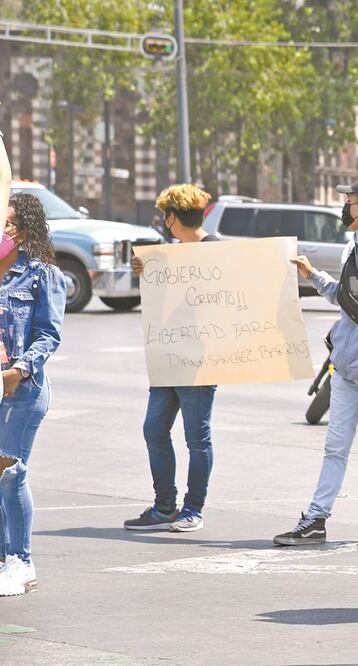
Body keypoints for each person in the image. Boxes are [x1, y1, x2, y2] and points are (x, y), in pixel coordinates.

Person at [273, 175, 358, 547]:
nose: (344, 208)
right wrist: (313, 276)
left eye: (349, 201)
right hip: (345, 364)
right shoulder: (353, 246)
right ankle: (316, 519)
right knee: (335, 446)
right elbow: (347, 299)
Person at [124, 185, 220, 533]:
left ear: (172, 217)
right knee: (154, 429)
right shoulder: (168, 255)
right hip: (168, 357)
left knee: (197, 438)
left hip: (198, 362)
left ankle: (192, 509)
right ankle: (165, 505)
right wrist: (144, 273)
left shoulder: (215, 251)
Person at [0, 178, 68, 597]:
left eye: (6, 224)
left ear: (22, 232)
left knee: (8, 471)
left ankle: (20, 561)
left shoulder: (43, 274)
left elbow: (49, 334)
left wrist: (19, 370)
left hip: (21, 391)